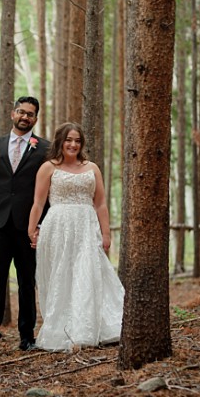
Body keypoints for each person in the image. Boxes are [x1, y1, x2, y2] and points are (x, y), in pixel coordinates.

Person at [27, 122, 124, 351]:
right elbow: (38, 202)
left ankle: (89, 328)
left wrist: (106, 233)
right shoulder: (48, 168)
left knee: (87, 272)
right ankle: (63, 330)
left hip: (86, 227)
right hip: (58, 226)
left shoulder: (92, 168)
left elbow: (100, 203)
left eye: (77, 141)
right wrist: (32, 230)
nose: (73, 144)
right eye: (69, 140)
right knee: (63, 275)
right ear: (60, 142)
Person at [0, 96, 51, 358]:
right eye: (21, 112)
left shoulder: (44, 149)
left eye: (30, 114)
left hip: (28, 227)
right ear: (12, 114)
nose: (25, 117)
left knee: (27, 282)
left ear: (36, 119)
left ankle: (27, 337)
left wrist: (41, 225)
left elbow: (48, 192)